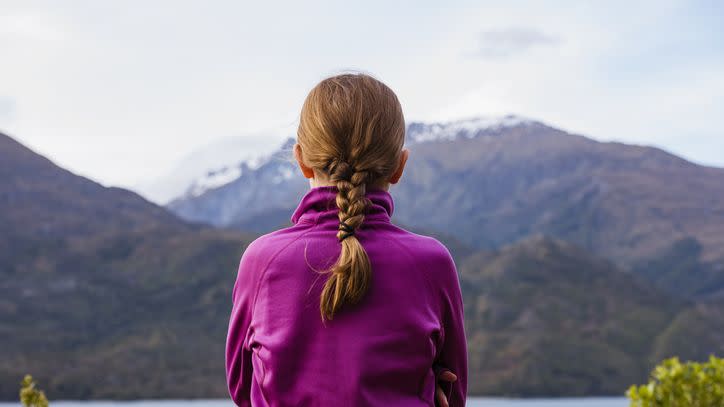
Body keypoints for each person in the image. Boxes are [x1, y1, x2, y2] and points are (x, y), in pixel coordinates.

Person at [225, 72, 467, 406]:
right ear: (399, 166)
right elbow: (454, 391)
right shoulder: (431, 263)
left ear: (301, 161)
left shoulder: (264, 260)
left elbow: (241, 386)